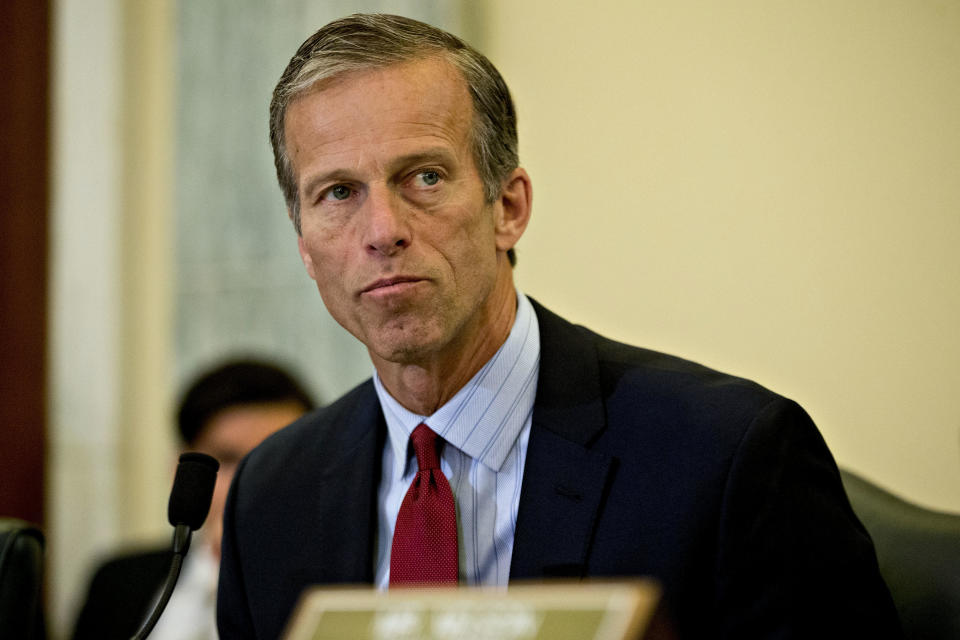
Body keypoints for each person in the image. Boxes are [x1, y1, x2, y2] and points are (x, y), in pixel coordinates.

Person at [217, 14, 903, 640]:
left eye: (423, 177)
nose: (383, 231)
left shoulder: (728, 456)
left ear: (508, 208)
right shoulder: (272, 493)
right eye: (337, 193)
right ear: (305, 246)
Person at [72, 359, 315, 640]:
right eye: (228, 459)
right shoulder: (117, 581)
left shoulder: (339, 585)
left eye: (275, 460)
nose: (252, 482)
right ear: (181, 471)